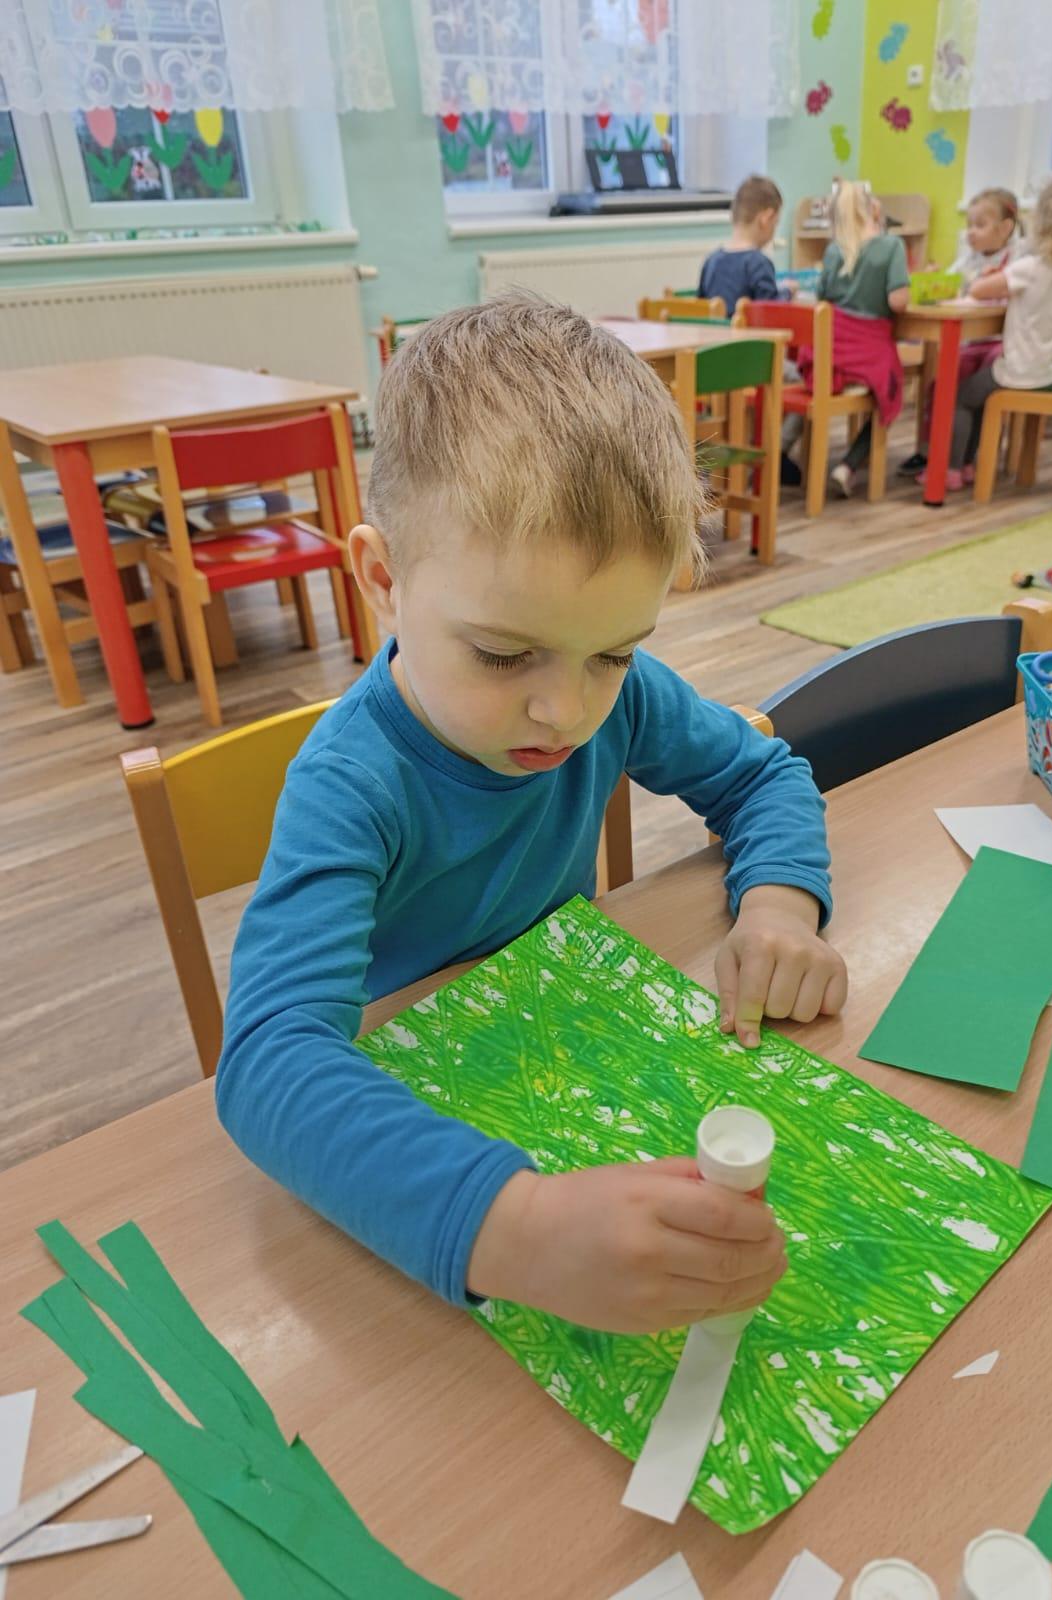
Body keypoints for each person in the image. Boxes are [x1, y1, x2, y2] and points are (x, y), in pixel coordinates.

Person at [216, 293, 847, 1338]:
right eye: (505, 655)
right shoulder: (350, 785)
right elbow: (270, 1062)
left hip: (570, 1051)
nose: (567, 710)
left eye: (614, 651)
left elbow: (762, 775)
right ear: (382, 578)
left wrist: (780, 906)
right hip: (407, 1131)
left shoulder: (617, 700)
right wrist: (514, 1232)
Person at [927, 173, 1052, 493]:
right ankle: (967, 464)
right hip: (1051, 370)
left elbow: (977, 289)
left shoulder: (1028, 267)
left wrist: (990, 277)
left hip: (1019, 371)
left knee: (959, 396)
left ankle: (952, 469)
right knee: (976, 392)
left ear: (1039, 221)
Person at [899, 187, 1025, 478]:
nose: (971, 232)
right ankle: (932, 453)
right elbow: (948, 283)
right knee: (942, 388)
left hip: (1001, 344)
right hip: (969, 342)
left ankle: (963, 461)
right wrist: (934, 278)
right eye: (969, 225)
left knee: (975, 396)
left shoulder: (1018, 259)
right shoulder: (969, 259)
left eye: (980, 225)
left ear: (1005, 228)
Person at [808, 179, 910, 498]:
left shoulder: (833, 250)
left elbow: (822, 298)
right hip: (870, 349)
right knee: (892, 391)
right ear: (875, 210)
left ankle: (790, 452)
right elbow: (898, 301)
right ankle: (849, 464)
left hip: (832, 350)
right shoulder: (892, 246)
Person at [699, 174, 785, 316]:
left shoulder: (711, 261)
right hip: (747, 331)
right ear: (766, 218)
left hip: (715, 331)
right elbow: (771, 313)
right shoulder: (759, 264)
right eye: (775, 223)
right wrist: (787, 294)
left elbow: (701, 309)